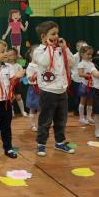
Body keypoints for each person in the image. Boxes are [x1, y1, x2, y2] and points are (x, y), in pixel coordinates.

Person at [33, 21, 75, 157]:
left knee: (61, 119)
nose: (57, 36)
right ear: (43, 37)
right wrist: (50, 47)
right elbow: (45, 62)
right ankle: (41, 144)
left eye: (57, 33)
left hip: (62, 91)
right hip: (48, 91)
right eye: (53, 34)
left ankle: (60, 142)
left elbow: (73, 62)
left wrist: (65, 48)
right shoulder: (39, 51)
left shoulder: (60, 50)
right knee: (45, 120)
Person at [77, 45, 95, 125]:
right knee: (83, 101)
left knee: (90, 102)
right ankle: (81, 118)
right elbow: (80, 74)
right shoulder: (81, 64)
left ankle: (89, 117)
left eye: (91, 54)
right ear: (82, 54)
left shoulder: (92, 64)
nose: (90, 56)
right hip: (84, 86)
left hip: (92, 85)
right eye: (88, 54)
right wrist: (89, 76)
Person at [7, 48, 28, 117]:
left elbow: (22, 72)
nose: (12, 57)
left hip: (17, 84)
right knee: (10, 98)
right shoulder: (6, 65)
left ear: (16, 55)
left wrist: (20, 75)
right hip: (9, 84)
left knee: (18, 97)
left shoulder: (18, 65)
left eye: (13, 55)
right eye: (10, 55)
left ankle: (22, 111)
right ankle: (11, 111)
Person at [25, 45, 40, 132]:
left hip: (42, 88)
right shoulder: (30, 66)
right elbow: (30, 79)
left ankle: (39, 124)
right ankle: (32, 125)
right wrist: (35, 75)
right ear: (31, 55)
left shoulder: (41, 65)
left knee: (40, 108)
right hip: (34, 88)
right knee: (32, 108)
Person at [71, 40, 88, 116]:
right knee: (77, 95)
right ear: (77, 48)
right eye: (82, 47)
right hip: (76, 79)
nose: (84, 49)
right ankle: (76, 110)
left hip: (84, 79)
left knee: (84, 95)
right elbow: (70, 66)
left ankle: (83, 109)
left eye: (85, 47)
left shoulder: (87, 57)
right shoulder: (74, 57)